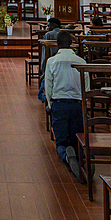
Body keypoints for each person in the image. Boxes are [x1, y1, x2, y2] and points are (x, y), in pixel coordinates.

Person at [44, 30, 89, 181]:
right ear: (71, 44)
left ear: (57, 44)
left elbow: (48, 86)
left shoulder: (52, 61)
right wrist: (84, 105)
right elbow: (86, 87)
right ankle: (84, 158)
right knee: (77, 137)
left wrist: (50, 105)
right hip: (77, 105)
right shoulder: (81, 61)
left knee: (61, 140)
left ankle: (67, 157)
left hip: (60, 104)